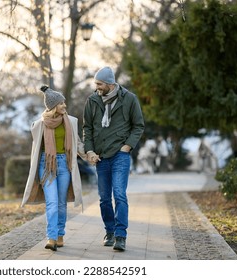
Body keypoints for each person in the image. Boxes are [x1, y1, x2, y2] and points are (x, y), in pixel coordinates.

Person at [83, 66, 145, 251]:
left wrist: (127, 147)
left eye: (100, 84)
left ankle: (120, 235)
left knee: (119, 194)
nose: (97, 87)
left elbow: (138, 126)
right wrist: (90, 151)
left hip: (120, 155)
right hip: (101, 157)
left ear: (110, 84)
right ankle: (109, 232)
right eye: (96, 84)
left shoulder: (129, 99)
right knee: (103, 198)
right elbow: (87, 129)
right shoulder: (92, 101)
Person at [21, 85, 85, 251]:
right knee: (52, 202)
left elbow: (77, 143)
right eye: (61, 103)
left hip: (64, 164)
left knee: (61, 203)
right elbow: (36, 149)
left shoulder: (71, 122)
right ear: (53, 106)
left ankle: (60, 234)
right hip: (47, 165)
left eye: (64, 102)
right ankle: (51, 237)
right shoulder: (40, 125)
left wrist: (89, 155)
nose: (65, 106)